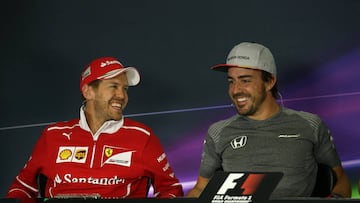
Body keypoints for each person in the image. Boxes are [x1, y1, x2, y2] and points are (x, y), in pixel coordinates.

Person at [186, 42, 351, 198]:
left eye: (245, 80)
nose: (235, 90)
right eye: (231, 81)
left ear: (269, 82)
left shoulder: (310, 125)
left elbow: (341, 181)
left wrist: (335, 198)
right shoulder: (218, 131)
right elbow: (201, 188)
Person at [7, 56, 184, 200]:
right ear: (88, 91)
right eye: (113, 86)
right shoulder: (52, 135)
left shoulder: (142, 136)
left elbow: (170, 189)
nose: (122, 95)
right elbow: (21, 189)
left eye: (125, 89)